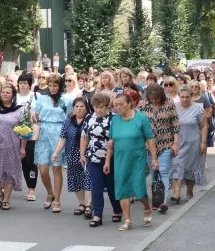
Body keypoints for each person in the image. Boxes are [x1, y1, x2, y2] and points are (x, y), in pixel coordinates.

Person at [104, 93, 158, 231]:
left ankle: (147, 207)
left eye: (121, 104)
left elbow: (150, 139)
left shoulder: (141, 118)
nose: (118, 107)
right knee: (122, 189)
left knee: (139, 189)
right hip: (120, 159)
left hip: (137, 159)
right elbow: (111, 141)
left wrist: (154, 158)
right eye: (115, 105)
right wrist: (107, 161)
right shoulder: (115, 120)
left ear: (129, 103)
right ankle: (127, 219)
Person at [80, 93, 122, 227]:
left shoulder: (114, 119)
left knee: (111, 187)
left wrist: (109, 160)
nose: (99, 110)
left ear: (107, 106)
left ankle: (117, 209)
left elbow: (114, 139)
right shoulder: (89, 117)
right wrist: (82, 154)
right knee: (96, 186)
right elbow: (84, 137)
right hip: (93, 156)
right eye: (96, 107)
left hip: (111, 156)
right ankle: (97, 215)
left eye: (101, 107)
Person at [34, 75, 72, 213]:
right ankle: (50, 192)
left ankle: (57, 200)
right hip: (43, 133)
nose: (52, 88)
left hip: (58, 133)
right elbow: (35, 117)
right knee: (43, 170)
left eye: (55, 85)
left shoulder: (66, 101)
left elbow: (70, 119)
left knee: (56, 169)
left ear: (60, 86)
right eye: (50, 85)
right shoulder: (42, 99)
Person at [139, 84, 179, 213]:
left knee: (163, 171)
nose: (154, 101)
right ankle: (156, 200)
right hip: (148, 145)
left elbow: (175, 124)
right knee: (154, 171)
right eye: (152, 98)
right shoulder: (143, 105)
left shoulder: (169, 103)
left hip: (165, 142)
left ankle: (164, 201)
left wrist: (175, 143)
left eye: (156, 98)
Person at [52, 98, 91, 217]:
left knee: (89, 179)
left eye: (82, 106)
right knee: (76, 180)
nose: (79, 109)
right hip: (72, 154)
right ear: (73, 108)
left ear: (86, 108)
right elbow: (63, 138)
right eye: (77, 106)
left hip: (89, 154)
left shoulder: (91, 120)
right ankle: (82, 204)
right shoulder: (68, 121)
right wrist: (56, 152)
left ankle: (90, 205)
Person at [0, 84, 26, 211]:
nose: (5, 94)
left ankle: (6, 199)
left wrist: (23, 148)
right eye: (3, 92)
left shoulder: (20, 110)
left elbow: (24, 131)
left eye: (8, 93)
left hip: (12, 145)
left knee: (10, 172)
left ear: (13, 95)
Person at [170, 85, 207, 203]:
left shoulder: (198, 108)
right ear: (179, 96)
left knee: (191, 168)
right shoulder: (174, 108)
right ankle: (177, 193)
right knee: (177, 164)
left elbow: (204, 126)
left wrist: (203, 143)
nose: (184, 99)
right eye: (182, 97)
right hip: (178, 142)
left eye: (187, 97)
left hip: (193, 143)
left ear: (191, 96)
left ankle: (190, 190)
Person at [16, 74, 38, 201]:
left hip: (31, 132)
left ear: (30, 84)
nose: (22, 85)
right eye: (20, 83)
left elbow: (39, 113)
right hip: (15, 132)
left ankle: (31, 189)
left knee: (30, 160)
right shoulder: (15, 97)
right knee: (19, 161)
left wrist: (35, 116)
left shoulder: (35, 96)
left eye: (25, 83)